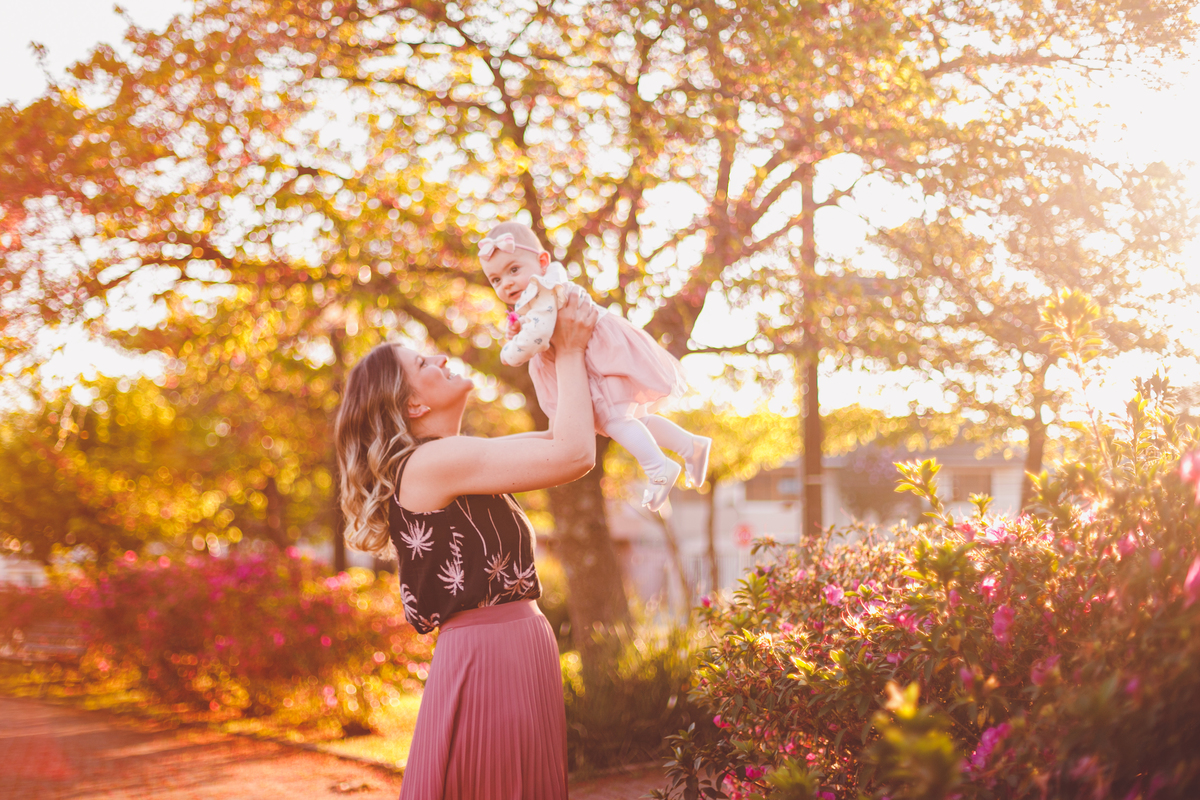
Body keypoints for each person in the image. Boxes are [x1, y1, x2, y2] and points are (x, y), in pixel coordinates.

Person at [333, 292, 600, 800]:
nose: (440, 357)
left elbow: (564, 436)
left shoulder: (453, 457)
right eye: (422, 363)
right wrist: (568, 350)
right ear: (413, 403)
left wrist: (552, 343)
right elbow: (575, 455)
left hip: (512, 647)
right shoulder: (433, 464)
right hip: (491, 654)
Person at [480, 220, 711, 511]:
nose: (507, 283)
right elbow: (537, 326)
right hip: (597, 355)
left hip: (596, 356)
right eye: (496, 280)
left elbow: (537, 337)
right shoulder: (540, 291)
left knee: (615, 419)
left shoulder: (543, 290)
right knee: (629, 417)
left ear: (541, 262)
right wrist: (518, 328)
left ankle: (658, 468)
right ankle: (690, 445)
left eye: (513, 270)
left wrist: (509, 351)